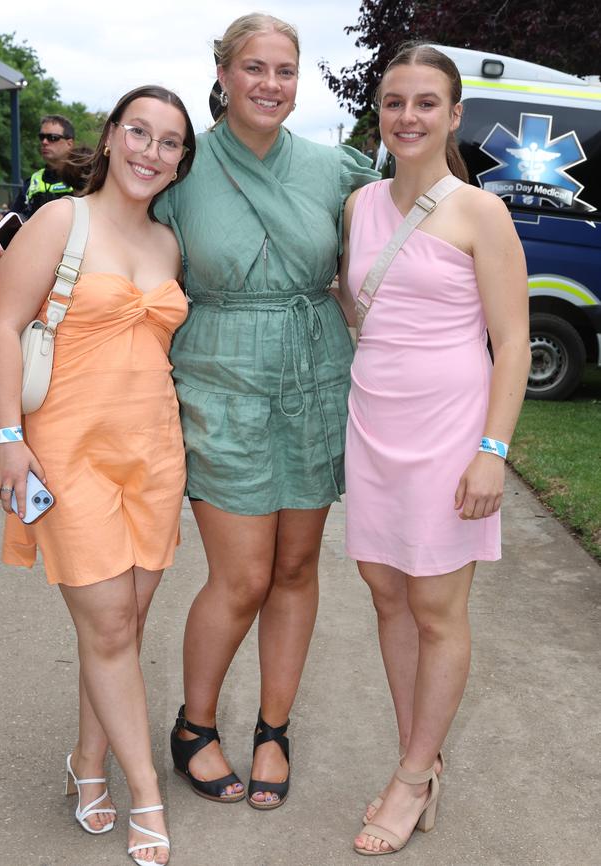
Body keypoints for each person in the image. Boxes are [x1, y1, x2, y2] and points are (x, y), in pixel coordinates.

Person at [153, 13, 379, 809]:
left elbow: (404, 232)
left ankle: (273, 728)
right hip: (219, 378)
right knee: (242, 575)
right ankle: (195, 725)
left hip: (315, 371)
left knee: (294, 567)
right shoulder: (181, 168)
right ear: (221, 73)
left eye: (285, 70)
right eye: (254, 68)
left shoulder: (331, 169)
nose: (270, 85)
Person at [0, 85, 195, 865]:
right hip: (69, 453)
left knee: (120, 629)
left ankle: (88, 763)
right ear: (109, 138)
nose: (151, 151)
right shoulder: (60, 220)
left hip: (154, 455)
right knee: (108, 626)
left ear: (179, 164)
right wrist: (8, 436)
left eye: (169, 142)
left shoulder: (169, 245)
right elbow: (2, 323)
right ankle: (146, 794)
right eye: (139, 131)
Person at [338, 44, 531, 855]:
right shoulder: (358, 204)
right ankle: (424, 751)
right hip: (373, 424)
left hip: (451, 434)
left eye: (425, 103)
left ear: (455, 116)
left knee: (436, 608)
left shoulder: (479, 212)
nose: (407, 117)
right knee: (386, 594)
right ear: (378, 114)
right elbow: (358, 310)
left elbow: (514, 342)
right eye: (393, 102)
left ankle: (411, 778)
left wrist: (493, 450)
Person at [11, 115, 75, 219]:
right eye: (42, 137)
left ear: (69, 143)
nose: (44, 142)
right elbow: (11, 218)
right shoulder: (32, 181)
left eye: (53, 138)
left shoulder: (84, 178)